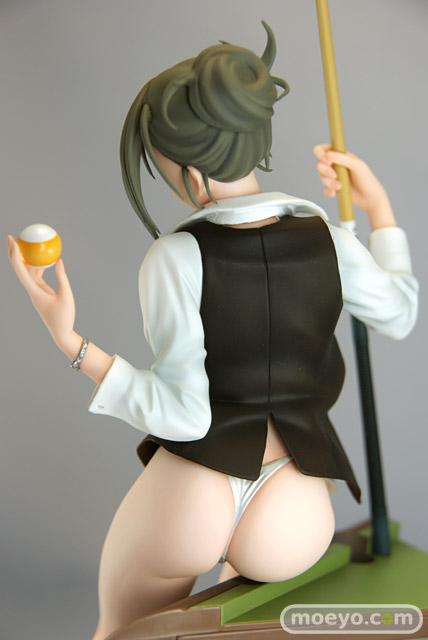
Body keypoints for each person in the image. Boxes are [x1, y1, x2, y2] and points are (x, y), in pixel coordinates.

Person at [7, 22, 418, 640]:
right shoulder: (331, 239)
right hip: (297, 503)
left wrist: (72, 343)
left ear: (190, 172)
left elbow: (185, 415)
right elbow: (400, 314)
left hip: (197, 492)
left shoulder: (176, 256)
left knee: (120, 630)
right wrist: (378, 209)